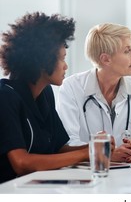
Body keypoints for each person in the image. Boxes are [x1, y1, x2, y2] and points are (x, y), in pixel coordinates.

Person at [57, 23, 131, 163]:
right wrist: (105, 154)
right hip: (89, 176)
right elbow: (67, 143)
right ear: (106, 59)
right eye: (127, 51)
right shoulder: (72, 88)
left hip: (130, 175)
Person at [0, 12, 90, 183]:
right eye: (62, 58)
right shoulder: (5, 98)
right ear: (42, 61)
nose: (66, 66)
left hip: (35, 189)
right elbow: (22, 163)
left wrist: (97, 148)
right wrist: (86, 154)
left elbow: (58, 149)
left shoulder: (45, 94)